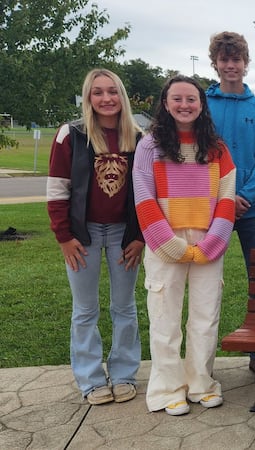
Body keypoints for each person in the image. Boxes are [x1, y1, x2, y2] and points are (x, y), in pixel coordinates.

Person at [133, 75, 236, 416]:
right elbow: (144, 197)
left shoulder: (217, 148)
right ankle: (167, 390)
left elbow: (226, 200)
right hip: (165, 241)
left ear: (201, 104)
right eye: (177, 99)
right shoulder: (149, 146)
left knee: (205, 317)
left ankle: (200, 383)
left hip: (208, 242)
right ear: (165, 103)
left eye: (191, 99)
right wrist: (169, 243)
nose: (184, 105)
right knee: (164, 317)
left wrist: (212, 242)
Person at [46, 68, 143, 405]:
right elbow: (58, 189)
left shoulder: (139, 137)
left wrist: (140, 235)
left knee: (124, 307)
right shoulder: (70, 135)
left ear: (122, 96)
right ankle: (89, 380)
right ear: (88, 97)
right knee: (85, 309)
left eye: (112, 91)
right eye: (98, 92)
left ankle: (123, 374)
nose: (106, 99)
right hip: (81, 234)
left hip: (123, 233)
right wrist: (63, 236)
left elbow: (147, 192)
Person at [206, 31, 255, 272]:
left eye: (236, 60)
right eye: (224, 60)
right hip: (210, 206)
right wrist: (223, 198)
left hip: (253, 209)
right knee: (205, 276)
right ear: (215, 63)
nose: (230, 65)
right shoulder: (201, 105)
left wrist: (244, 197)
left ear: (245, 63)